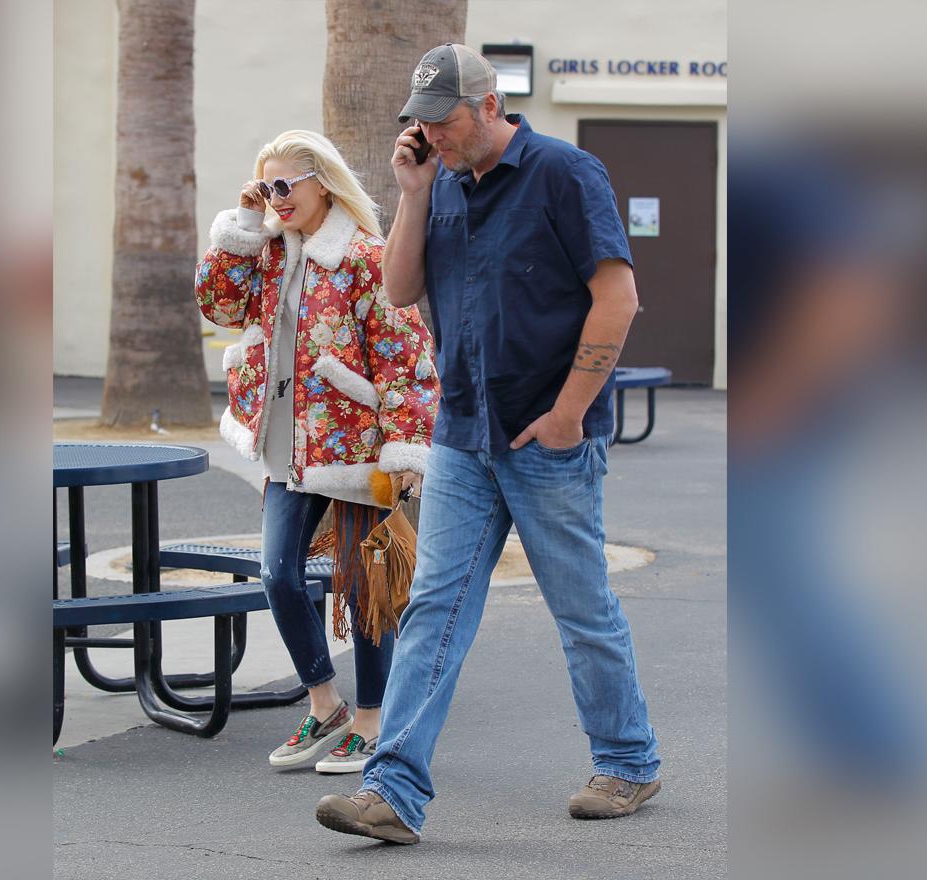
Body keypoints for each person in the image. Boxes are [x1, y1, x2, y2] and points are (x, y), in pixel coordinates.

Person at [314, 45, 660, 844]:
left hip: (547, 437)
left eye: (444, 119)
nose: (431, 133)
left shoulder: (567, 174)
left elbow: (619, 296)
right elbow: (401, 290)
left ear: (490, 104)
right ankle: (392, 790)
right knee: (434, 606)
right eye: (421, 123)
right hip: (464, 435)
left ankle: (628, 760)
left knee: (581, 610)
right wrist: (410, 194)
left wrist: (573, 410)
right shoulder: (437, 185)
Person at [194, 130, 438, 774]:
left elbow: (407, 357)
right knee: (278, 574)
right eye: (264, 187)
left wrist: (405, 451)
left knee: (368, 589)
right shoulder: (269, 252)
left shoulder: (363, 255)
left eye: (283, 187)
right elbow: (217, 304)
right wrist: (243, 225)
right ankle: (324, 702)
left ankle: (371, 720)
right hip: (287, 446)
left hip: (355, 444)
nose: (275, 199)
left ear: (320, 183)